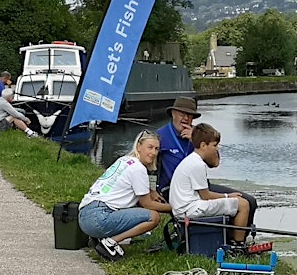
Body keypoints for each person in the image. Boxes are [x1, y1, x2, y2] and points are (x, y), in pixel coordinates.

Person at [155, 96, 258, 228]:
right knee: (237, 203)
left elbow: (215, 163)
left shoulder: (198, 133)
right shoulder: (160, 136)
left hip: (201, 187)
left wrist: (195, 140)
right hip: (175, 190)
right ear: (173, 113)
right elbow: (145, 163)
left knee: (250, 201)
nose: (186, 118)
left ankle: (234, 238)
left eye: (190, 115)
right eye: (182, 114)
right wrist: (151, 191)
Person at [78, 131, 172, 261]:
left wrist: (150, 191)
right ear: (139, 146)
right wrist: (174, 208)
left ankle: (99, 237)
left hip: (84, 217)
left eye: (157, 149)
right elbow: (147, 204)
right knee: (153, 217)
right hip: (99, 218)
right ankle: (110, 242)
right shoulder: (139, 169)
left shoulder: (125, 160)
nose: (154, 153)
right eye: (150, 147)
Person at [169, 123, 251, 245]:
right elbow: (205, 196)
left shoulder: (191, 160)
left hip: (184, 207)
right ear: (203, 145)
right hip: (190, 209)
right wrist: (228, 196)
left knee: (235, 203)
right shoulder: (198, 165)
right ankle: (238, 245)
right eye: (215, 145)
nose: (217, 148)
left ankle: (231, 240)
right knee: (243, 204)